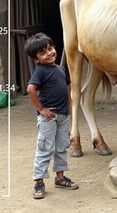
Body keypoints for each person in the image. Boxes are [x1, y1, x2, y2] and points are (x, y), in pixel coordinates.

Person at [25, 32, 79, 199]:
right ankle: (39, 181)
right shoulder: (40, 71)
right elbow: (31, 89)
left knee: (61, 147)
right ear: (36, 59)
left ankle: (60, 177)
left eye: (50, 48)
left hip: (63, 116)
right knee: (45, 148)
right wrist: (41, 109)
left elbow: (68, 85)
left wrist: (69, 105)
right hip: (48, 117)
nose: (49, 53)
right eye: (43, 53)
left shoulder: (61, 69)